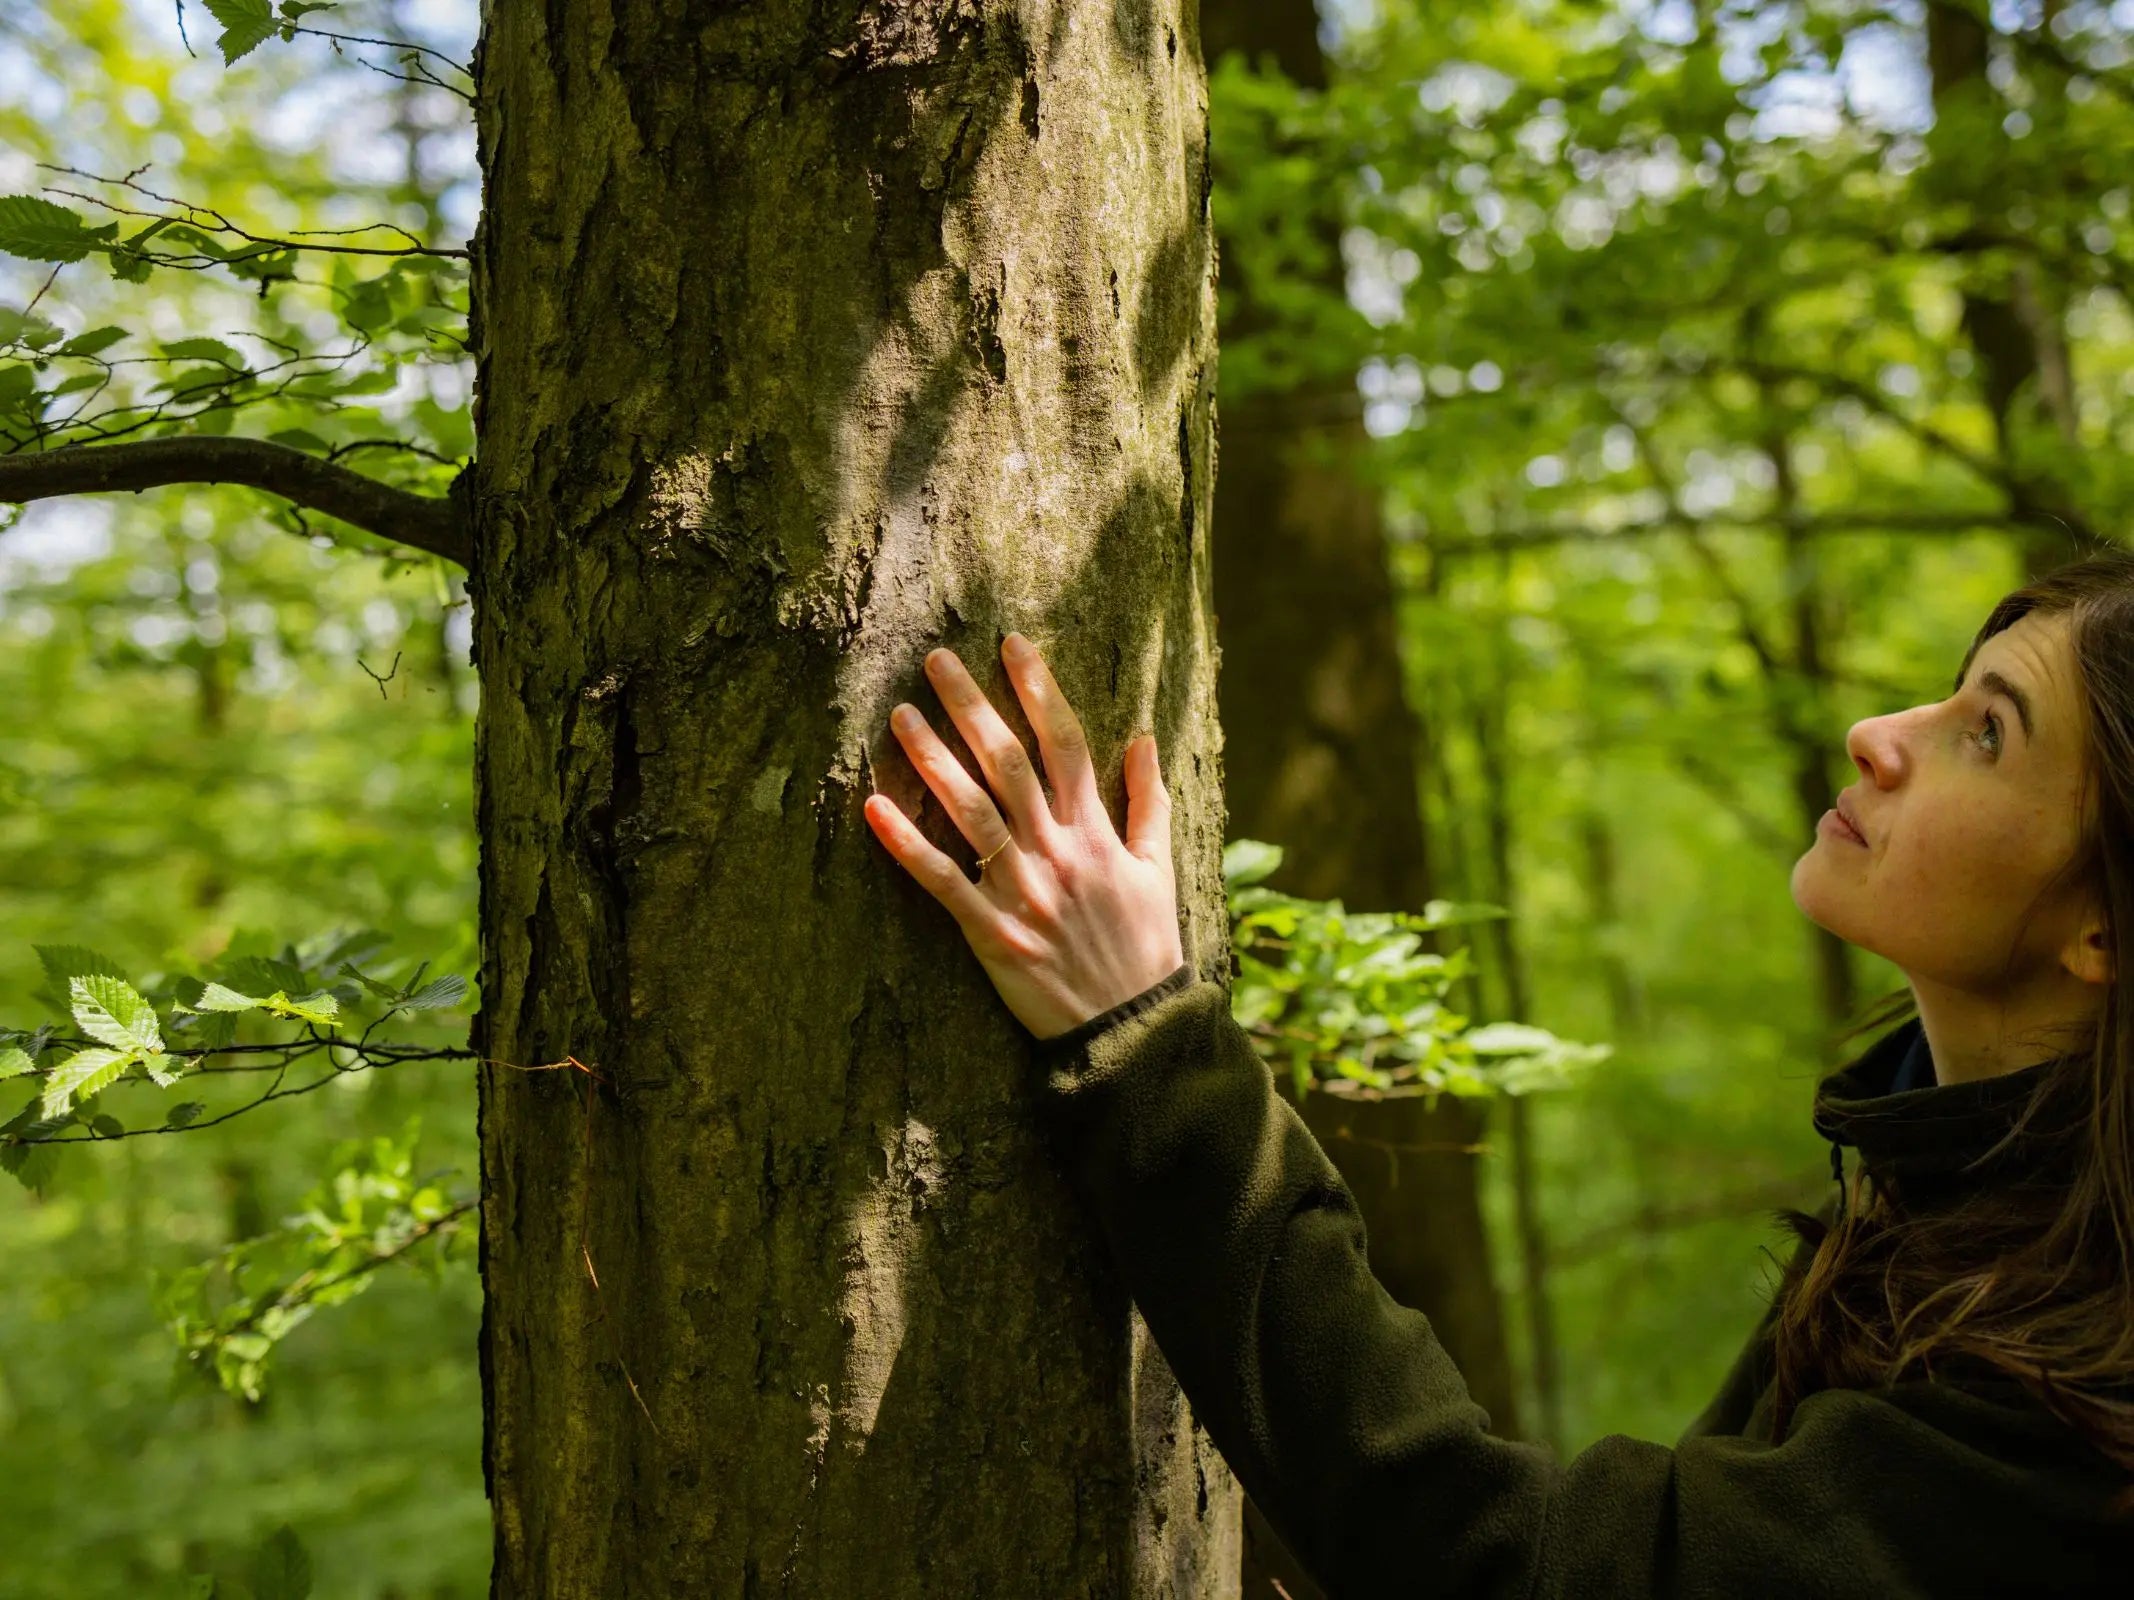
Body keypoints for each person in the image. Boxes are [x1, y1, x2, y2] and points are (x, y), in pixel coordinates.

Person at [859, 551, 2134, 1596]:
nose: (1876, 734)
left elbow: (1511, 1571)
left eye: (1985, 733)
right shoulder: (1952, 1194)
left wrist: (1148, 1046)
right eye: (1949, 691)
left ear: (2105, 930)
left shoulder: (2069, 1409)